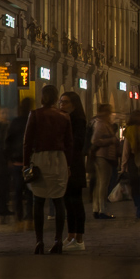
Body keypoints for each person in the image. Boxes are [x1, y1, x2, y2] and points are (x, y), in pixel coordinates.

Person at [23, 84, 73, 254]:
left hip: (40, 159)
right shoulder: (64, 116)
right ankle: (58, 239)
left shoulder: (35, 115)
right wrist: (69, 164)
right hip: (59, 159)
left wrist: (25, 164)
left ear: (43, 97)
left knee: (38, 200)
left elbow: (27, 142)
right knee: (58, 200)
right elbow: (69, 143)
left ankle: (39, 241)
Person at [59, 92, 88, 251]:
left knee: (76, 201)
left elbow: (77, 143)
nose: (62, 105)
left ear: (74, 104)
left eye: (65, 102)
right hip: (66, 163)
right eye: (60, 102)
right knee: (68, 202)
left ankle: (79, 239)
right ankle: (70, 235)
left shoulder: (78, 120)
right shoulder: (65, 119)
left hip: (74, 165)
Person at [6, 98, 34, 225]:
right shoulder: (32, 121)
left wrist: (9, 158)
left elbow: (8, 140)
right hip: (29, 161)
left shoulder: (15, 122)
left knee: (17, 190)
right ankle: (29, 216)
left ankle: (19, 216)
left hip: (17, 161)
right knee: (30, 190)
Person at [90, 104, 118, 220]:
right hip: (103, 156)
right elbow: (95, 140)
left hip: (102, 156)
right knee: (103, 184)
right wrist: (111, 140)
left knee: (99, 184)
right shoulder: (101, 124)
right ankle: (102, 209)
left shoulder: (102, 123)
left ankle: (97, 208)